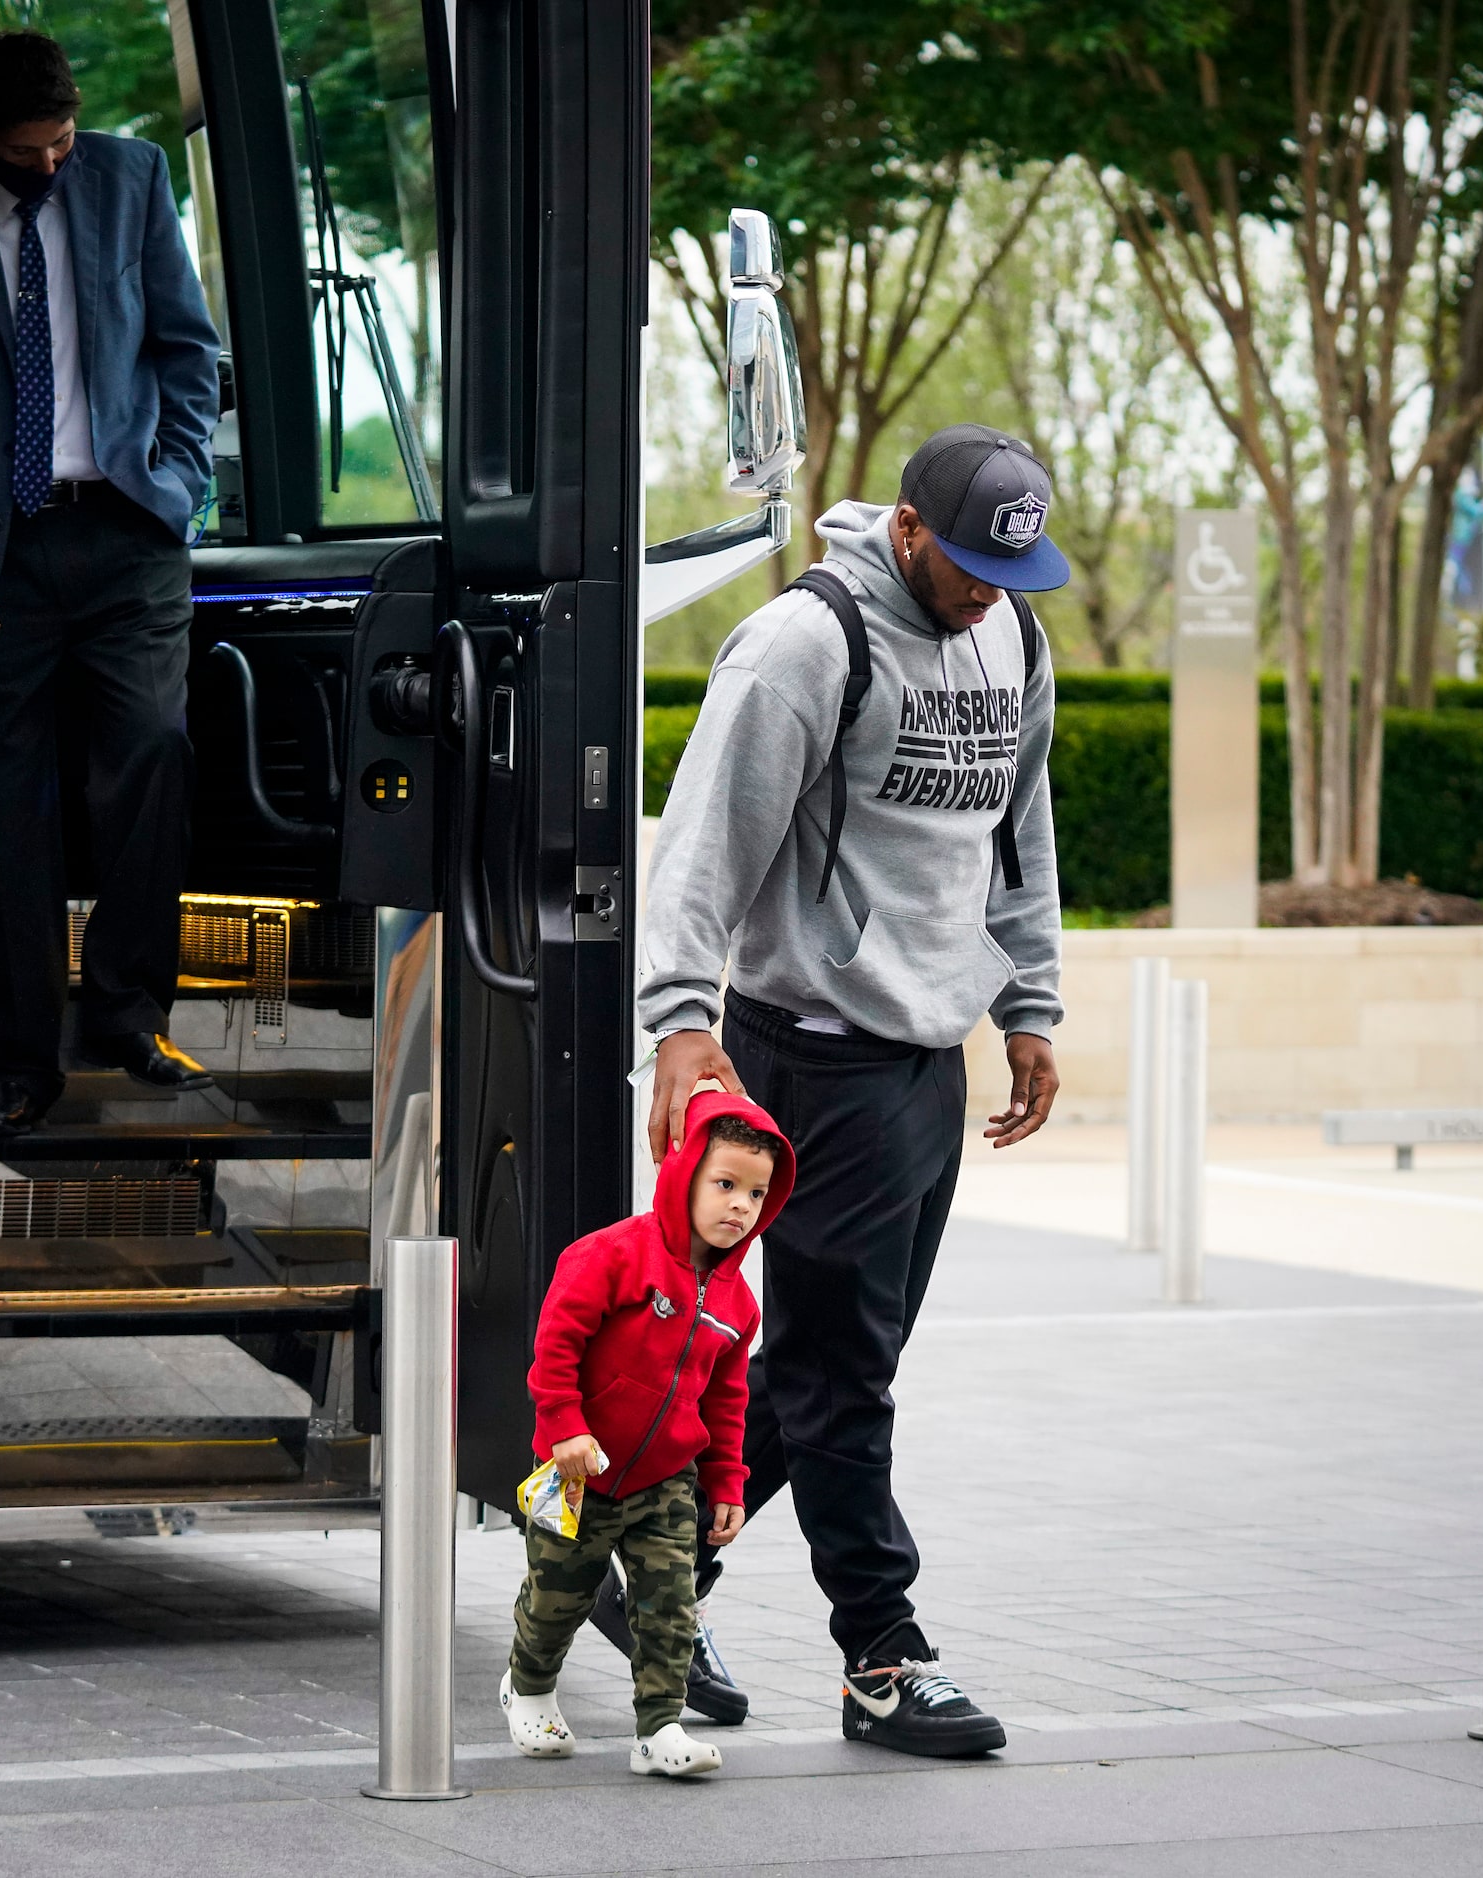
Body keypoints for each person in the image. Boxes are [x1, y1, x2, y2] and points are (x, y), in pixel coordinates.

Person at [616, 422, 1071, 1757]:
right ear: (912, 530)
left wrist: (1028, 1003)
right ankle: (881, 1652)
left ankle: (637, 1572)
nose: (993, 592)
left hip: (925, 1058)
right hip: (810, 1048)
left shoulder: (1014, 636)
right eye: (974, 566)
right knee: (840, 1372)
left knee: (824, 1368)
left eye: (1017, 570)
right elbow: (701, 841)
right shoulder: (805, 645)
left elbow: (1019, 831)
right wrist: (679, 1026)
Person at [0, 31, 221, 1136]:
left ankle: (128, 1012)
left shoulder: (128, 175)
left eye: (60, 141)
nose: (49, 166)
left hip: (126, 530)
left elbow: (187, 348)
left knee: (152, 754)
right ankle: (25, 1059)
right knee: (9, 802)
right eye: (25, 153)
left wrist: (174, 479)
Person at [501, 1092, 793, 1780]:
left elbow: (726, 1400)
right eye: (724, 1184)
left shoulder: (735, 1303)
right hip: (579, 1471)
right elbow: (555, 1349)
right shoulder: (610, 1255)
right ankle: (529, 1685)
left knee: (670, 1606)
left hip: (666, 1480)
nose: (739, 1206)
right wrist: (562, 1430)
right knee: (557, 1598)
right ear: (684, 1174)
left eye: (756, 1193)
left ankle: (658, 1726)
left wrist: (727, 1484)